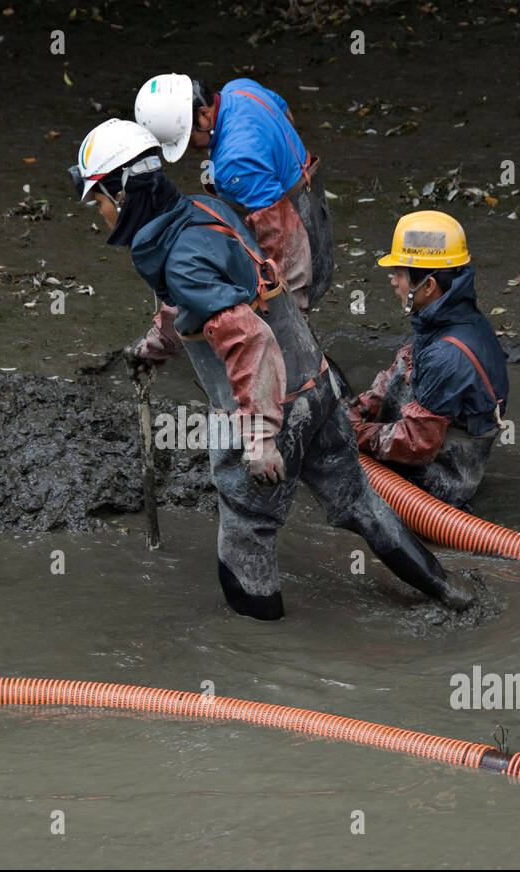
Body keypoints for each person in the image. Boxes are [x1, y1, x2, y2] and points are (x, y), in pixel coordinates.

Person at [70, 120, 472, 620]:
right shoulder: (203, 210)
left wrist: (260, 440)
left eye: (100, 200)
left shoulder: (178, 258)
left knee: (246, 535)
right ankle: (449, 591)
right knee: (360, 503)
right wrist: (152, 348)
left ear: (124, 191)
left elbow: (249, 339)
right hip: (317, 388)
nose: (101, 213)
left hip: (269, 408)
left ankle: (259, 664)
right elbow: (198, 306)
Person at [134, 73, 334, 318]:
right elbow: (285, 115)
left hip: (297, 236)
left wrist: (288, 304)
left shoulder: (236, 160)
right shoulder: (240, 88)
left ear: (204, 115)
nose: (186, 149)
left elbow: (280, 231)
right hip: (310, 198)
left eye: (185, 139)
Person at [347, 212, 509, 509]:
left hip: (440, 482)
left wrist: (355, 435)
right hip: (438, 443)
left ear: (429, 285)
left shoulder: (448, 355)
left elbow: (415, 445)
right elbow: (406, 366)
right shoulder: (449, 317)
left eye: (400, 272)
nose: (393, 280)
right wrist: (363, 406)